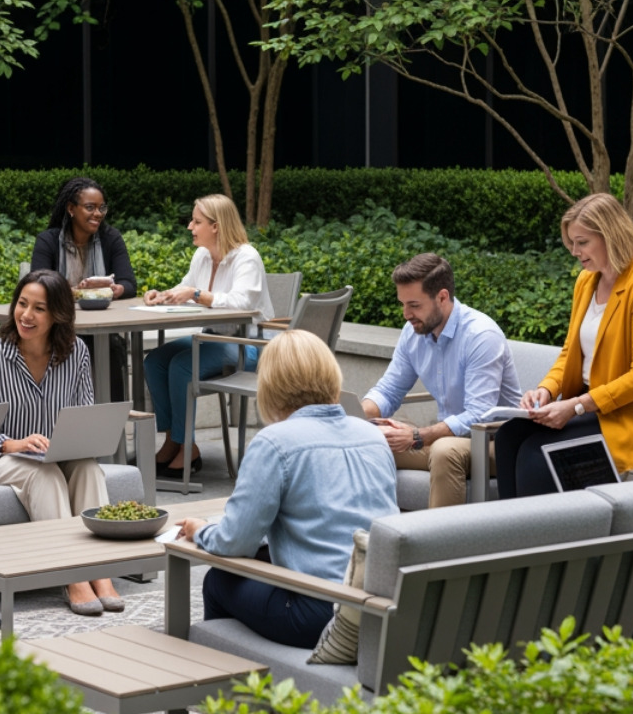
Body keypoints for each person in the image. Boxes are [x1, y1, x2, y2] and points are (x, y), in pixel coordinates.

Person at [174, 331, 398, 648]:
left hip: (319, 612)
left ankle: (225, 688)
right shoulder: (372, 435)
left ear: (270, 384)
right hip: (380, 601)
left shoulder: (275, 442)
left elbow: (233, 542)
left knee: (218, 579)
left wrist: (201, 530)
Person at [496, 193, 633, 497]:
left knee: (537, 456)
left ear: (610, 236)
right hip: (587, 407)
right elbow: (570, 352)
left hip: (632, 419)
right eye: (572, 243)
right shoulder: (586, 282)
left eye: (582, 242)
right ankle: (507, 537)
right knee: (508, 436)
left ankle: (545, 541)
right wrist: (545, 390)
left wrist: (575, 406)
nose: (574, 251)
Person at [0, 269, 122, 616]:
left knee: (88, 469)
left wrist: (77, 441)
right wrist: (16, 444)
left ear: (58, 316)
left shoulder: (77, 352)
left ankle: (101, 571)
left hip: (55, 452)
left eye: (39, 308)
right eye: (22, 304)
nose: (26, 315)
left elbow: (84, 412)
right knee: (46, 475)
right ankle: (71, 577)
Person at [361, 252, 521, 506]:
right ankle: (374, 536)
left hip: (496, 442)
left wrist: (417, 435)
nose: (405, 313)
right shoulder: (413, 332)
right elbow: (389, 390)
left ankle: (443, 545)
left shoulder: (481, 335)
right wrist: (356, 417)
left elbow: (481, 414)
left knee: (445, 450)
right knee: (365, 441)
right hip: (448, 437)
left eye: (414, 305)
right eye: (402, 304)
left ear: (442, 297)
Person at [143, 193, 274, 475]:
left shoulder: (246, 258)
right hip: (216, 339)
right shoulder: (202, 255)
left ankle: (186, 445)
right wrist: (162, 295)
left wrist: (197, 294)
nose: (190, 226)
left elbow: (242, 304)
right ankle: (172, 439)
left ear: (216, 226)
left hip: (248, 345)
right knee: (154, 360)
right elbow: (187, 288)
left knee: (181, 365)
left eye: (197, 221)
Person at [30, 175, 138, 401]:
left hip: (102, 330)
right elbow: (37, 285)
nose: (98, 214)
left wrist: (111, 288)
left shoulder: (110, 238)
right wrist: (77, 291)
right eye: (90, 207)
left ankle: (111, 426)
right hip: (58, 330)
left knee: (110, 349)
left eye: (101, 208)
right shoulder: (48, 241)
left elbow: (129, 284)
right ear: (71, 208)